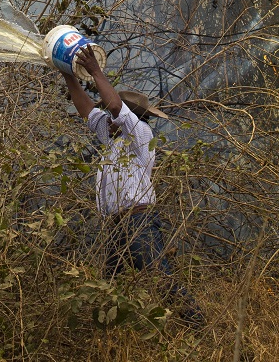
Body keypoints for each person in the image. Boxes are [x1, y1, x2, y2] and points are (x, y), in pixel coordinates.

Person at [60, 44, 203, 325]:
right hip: (117, 226)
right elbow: (87, 110)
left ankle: (197, 322)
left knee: (160, 278)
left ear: (130, 117)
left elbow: (114, 106)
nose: (109, 119)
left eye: (115, 117)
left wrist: (96, 71)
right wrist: (68, 74)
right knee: (109, 288)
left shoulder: (140, 134)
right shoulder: (111, 138)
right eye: (110, 119)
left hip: (139, 222)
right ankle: (110, 340)